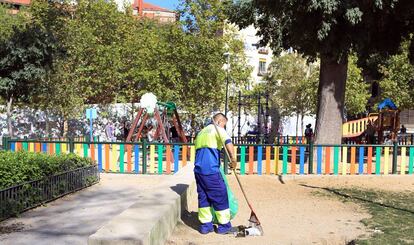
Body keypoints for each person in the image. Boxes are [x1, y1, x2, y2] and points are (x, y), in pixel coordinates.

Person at [194, 113, 237, 234]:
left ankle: (205, 225)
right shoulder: (218, 129)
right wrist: (233, 159)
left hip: (198, 170)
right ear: (219, 121)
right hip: (210, 170)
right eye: (224, 124)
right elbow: (228, 142)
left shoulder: (201, 132)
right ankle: (224, 226)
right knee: (220, 195)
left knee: (204, 197)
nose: (224, 127)